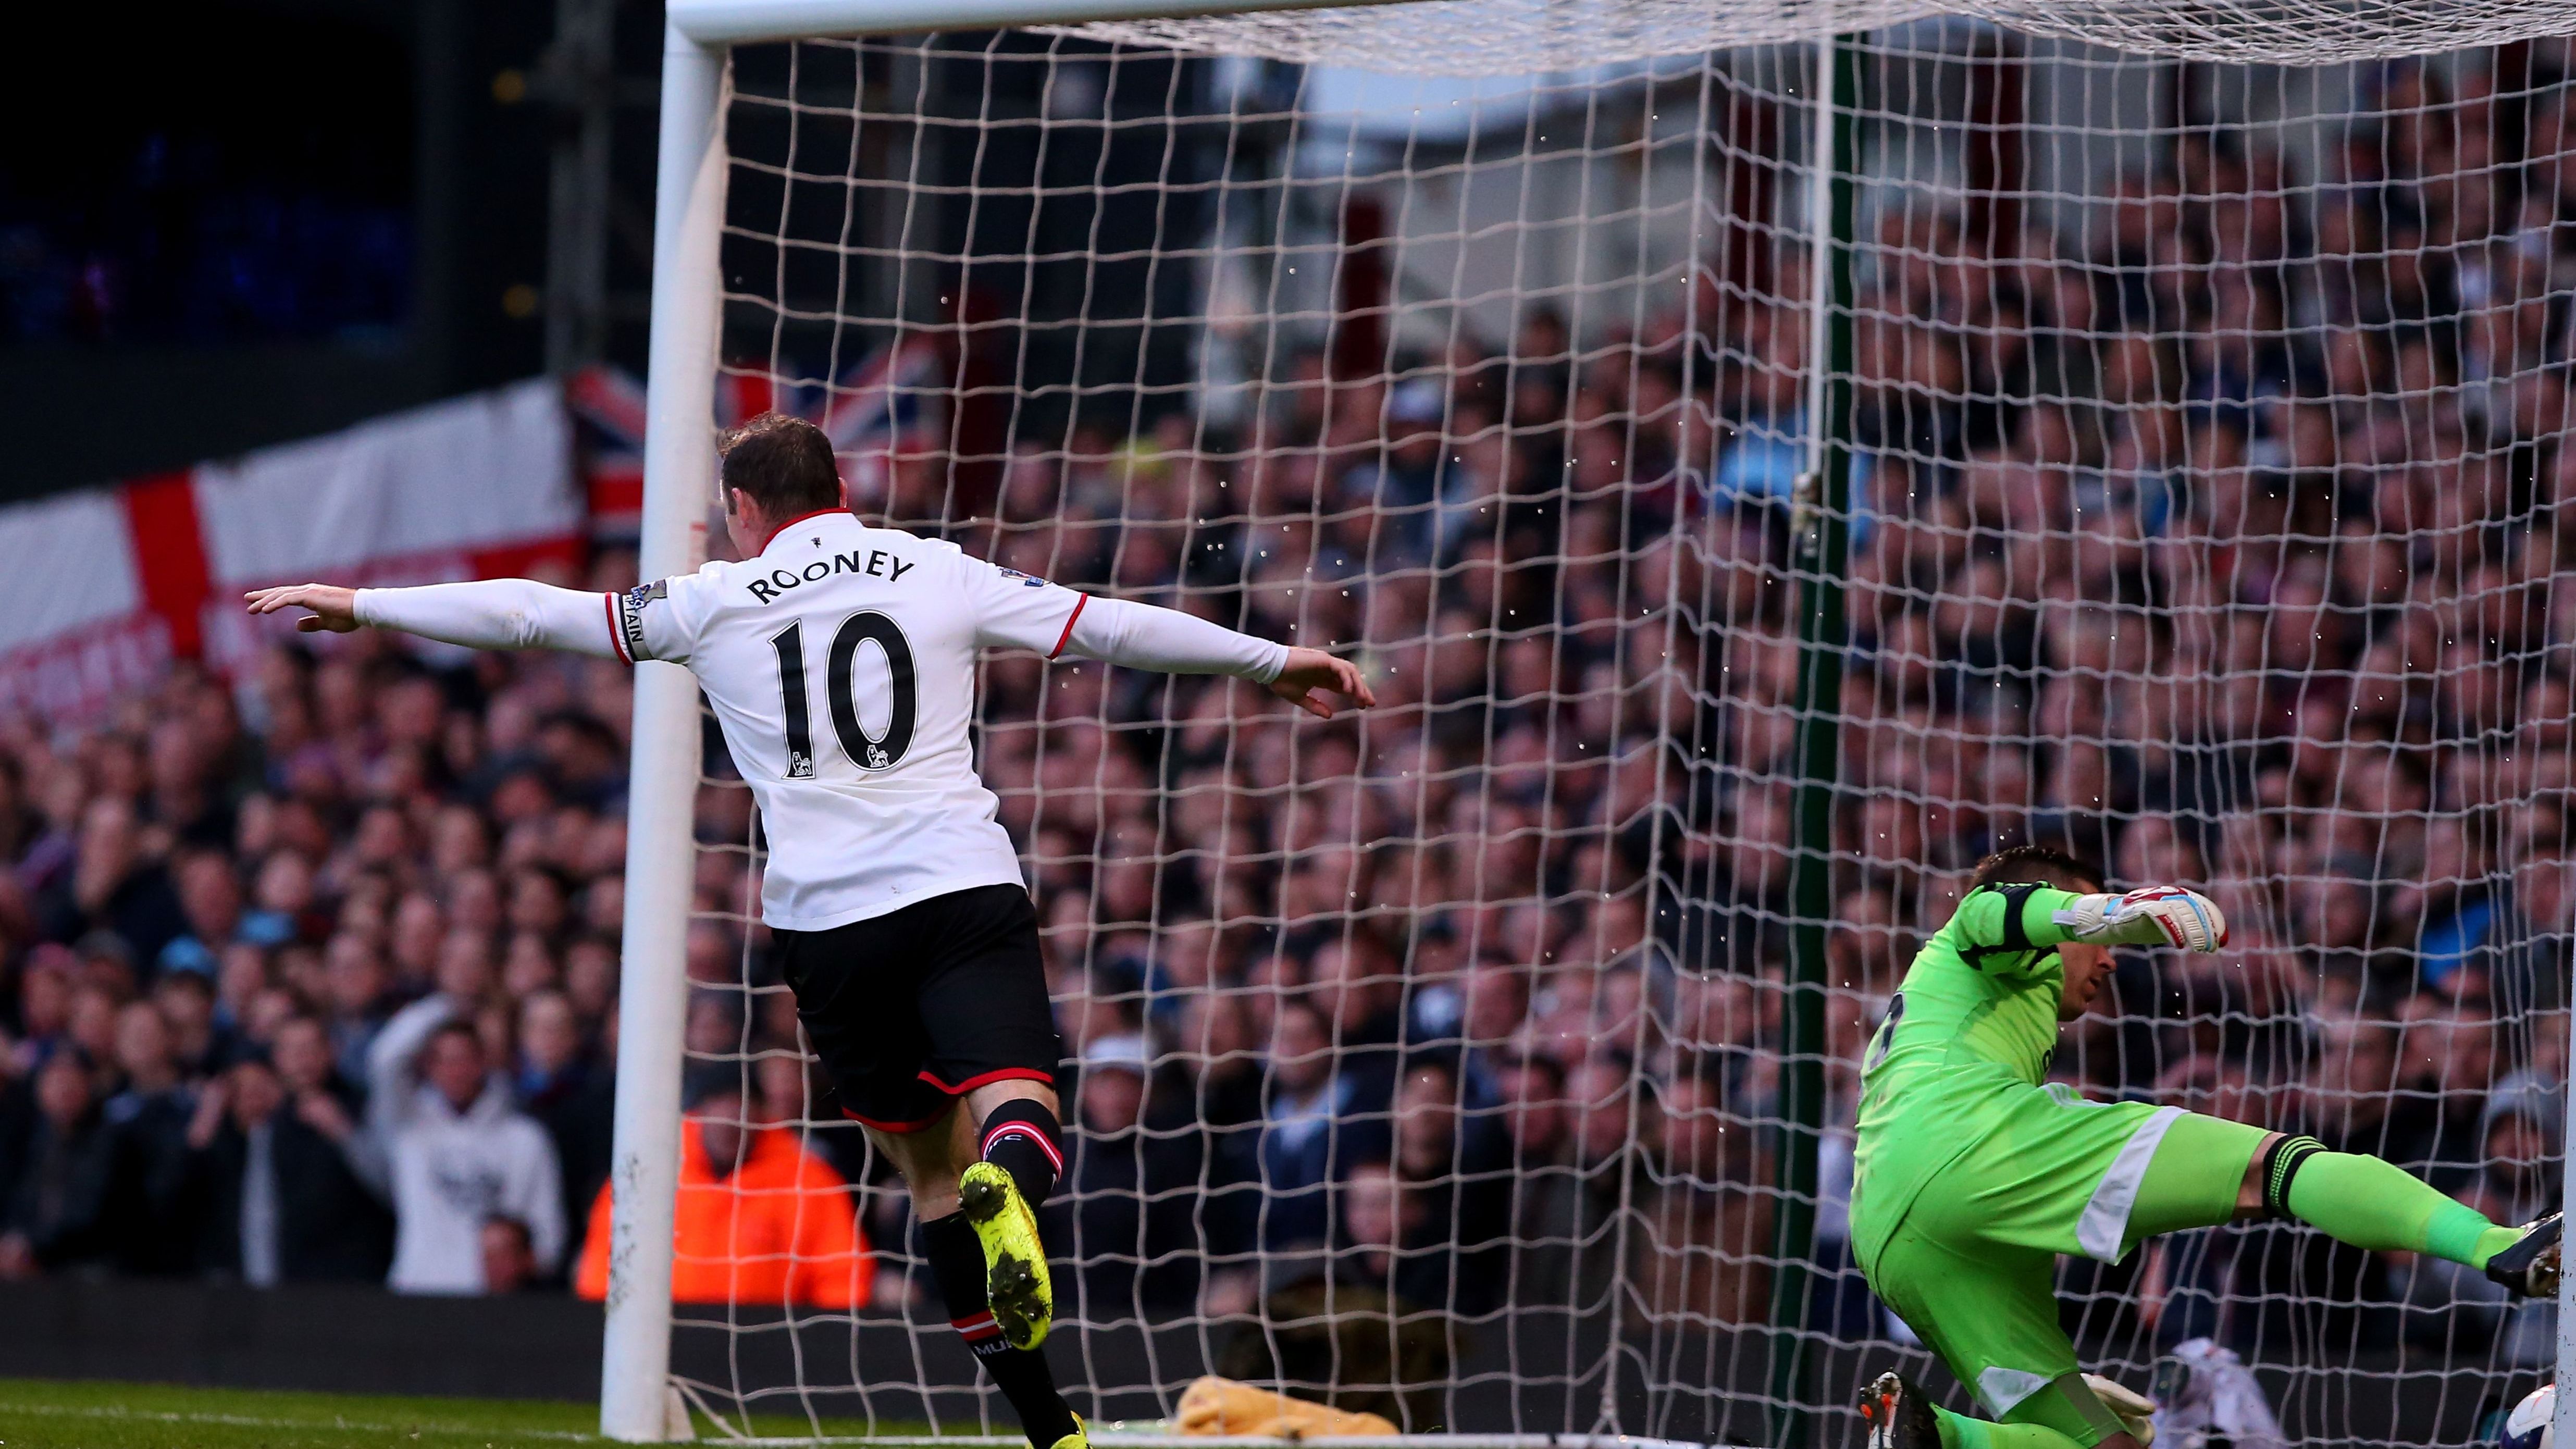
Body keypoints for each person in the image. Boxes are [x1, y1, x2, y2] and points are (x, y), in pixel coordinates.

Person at [245, 411, 1370, 1449]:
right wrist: (1275, 663)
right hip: (958, 887)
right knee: (1018, 1097)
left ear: (743, 510)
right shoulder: (938, 570)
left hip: (830, 926)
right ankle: (1015, 1187)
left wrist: (365, 604)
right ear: (842, 486)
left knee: (926, 1175)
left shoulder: (708, 602)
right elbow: (1108, 626)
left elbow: (530, 614)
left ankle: (1047, 1424)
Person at [1850, 844, 2562, 1449]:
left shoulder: (1952, 1009)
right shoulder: (1973, 935)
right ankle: (2499, 1243)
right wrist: (2119, 914)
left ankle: (1939, 1433)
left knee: (2101, 1441)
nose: (2109, 961)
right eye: (2095, 942)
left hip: (1887, 1237)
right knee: (2274, 1167)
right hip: (1963, 1143)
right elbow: (2003, 909)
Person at [573, 1076, 873, 1309]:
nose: (730, 1117)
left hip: (770, 1347)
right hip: (661, 1341)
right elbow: (605, 1263)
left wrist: (828, 1345)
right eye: (719, 1103)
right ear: (699, 1111)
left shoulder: (809, 1181)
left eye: (741, 1103)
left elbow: (841, 1275)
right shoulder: (647, 1174)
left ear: (760, 1114)